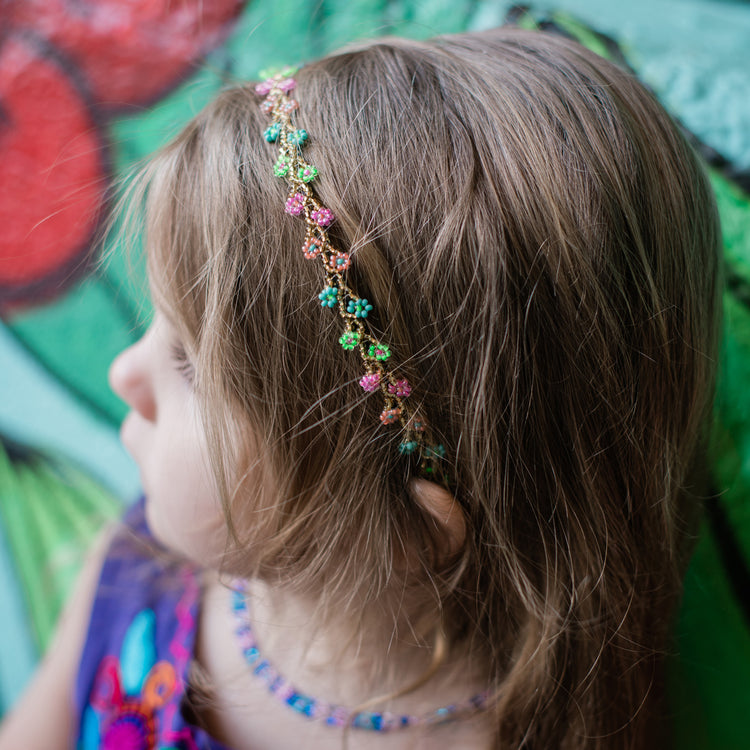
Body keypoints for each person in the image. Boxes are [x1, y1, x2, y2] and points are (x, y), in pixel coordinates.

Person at [0, 25, 722, 750]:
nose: (125, 371)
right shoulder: (140, 567)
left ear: (412, 530)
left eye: (190, 365)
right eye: (160, 324)